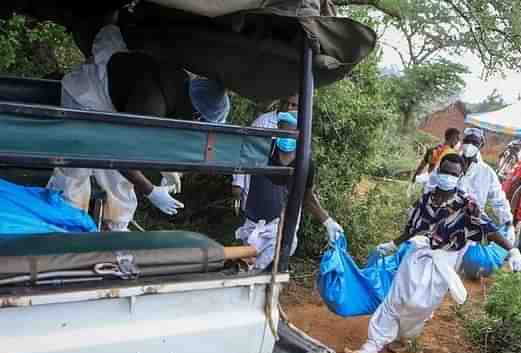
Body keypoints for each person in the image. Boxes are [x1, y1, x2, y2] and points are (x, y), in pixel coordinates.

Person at [343, 154, 521, 353]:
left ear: (459, 176)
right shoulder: (426, 198)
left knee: (419, 306)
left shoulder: (467, 205)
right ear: (438, 171)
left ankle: (404, 338)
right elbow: (412, 228)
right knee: (395, 300)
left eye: (453, 173)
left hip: (443, 262)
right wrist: (393, 244)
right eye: (445, 171)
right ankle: (371, 348)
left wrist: (512, 250)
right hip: (417, 254)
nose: (448, 176)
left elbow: (489, 229)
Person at [47, 21, 230, 231]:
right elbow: (117, 153)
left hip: (118, 104)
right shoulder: (152, 103)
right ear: (196, 113)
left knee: (119, 180)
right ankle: (62, 228)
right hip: (85, 96)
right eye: (201, 123)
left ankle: (117, 229)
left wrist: (170, 169)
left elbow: (159, 136)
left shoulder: (182, 88)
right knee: (76, 170)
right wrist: (150, 190)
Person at [233, 111, 343, 270]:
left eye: (291, 131)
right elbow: (238, 157)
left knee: (271, 265)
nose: (286, 136)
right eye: (282, 130)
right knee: (247, 265)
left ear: (300, 134)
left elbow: (306, 195)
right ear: (277, 129)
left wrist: (327, 221)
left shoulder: (305, 162)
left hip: (279, 223)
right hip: (254, 221)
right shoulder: (263, 151)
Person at [426, 128, 516, 245]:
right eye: (467, 141)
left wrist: (508, 222)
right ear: (463, 142)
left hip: (470, 225)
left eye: (474, 142)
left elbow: (499, 200)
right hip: (441, 219)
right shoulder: (450, 162)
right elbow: (431, 185)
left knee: (457, 255)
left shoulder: (487, 173)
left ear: (481, 144)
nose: (470, 145)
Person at [232, 95, 299, 212]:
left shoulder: (302, 126)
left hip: (283, 187)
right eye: (286, 103)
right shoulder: (263, 122)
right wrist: (238, 183)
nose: (289, 107)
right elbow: (245, 152)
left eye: (294, 105)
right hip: (259, 183)